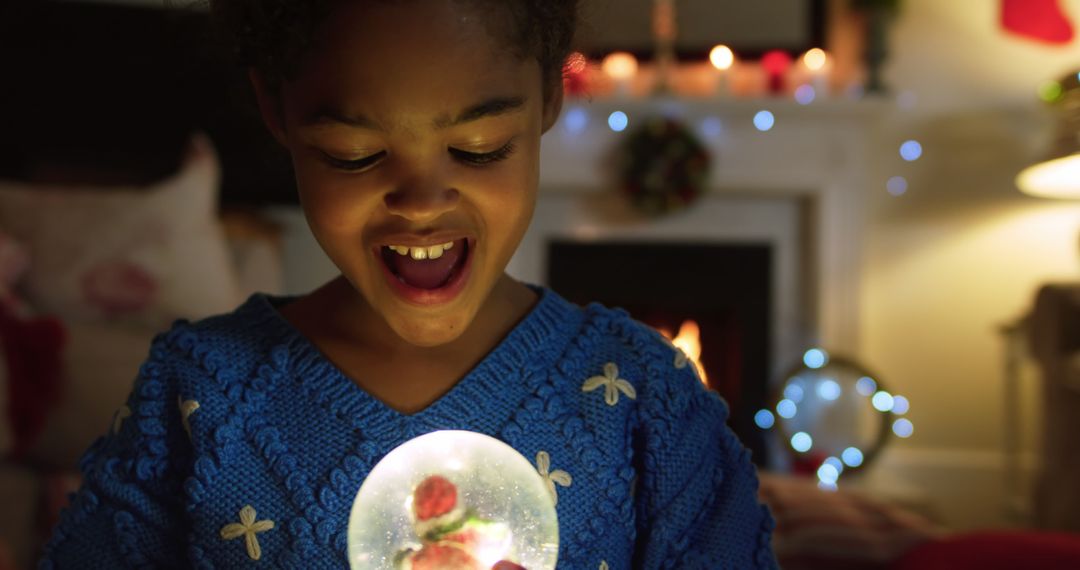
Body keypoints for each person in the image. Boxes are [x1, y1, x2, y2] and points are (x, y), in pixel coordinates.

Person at [40, 0, 778, 567]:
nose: (423, 202)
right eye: (356, 155)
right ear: (278, 111)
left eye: (478, 149)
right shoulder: (198, 394)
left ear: (549, 96)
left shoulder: (645, 398)